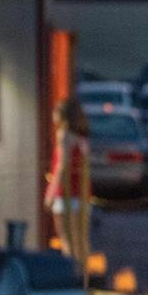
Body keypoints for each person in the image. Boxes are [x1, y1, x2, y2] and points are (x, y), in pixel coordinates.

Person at [44, 97, 91, 258]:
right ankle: (82, 276)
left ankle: (72, 275)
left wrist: (50, 193)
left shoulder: (64, 135)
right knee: (81, 240)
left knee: (66, 241)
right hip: (82, 194)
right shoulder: (82, 137)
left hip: (65, 194)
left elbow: (62, 165)